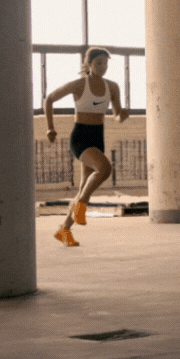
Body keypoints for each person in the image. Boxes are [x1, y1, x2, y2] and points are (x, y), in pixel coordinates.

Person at [43, 47, 129, 246]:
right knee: (105, 168)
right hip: (80, 137)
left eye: (105, 63)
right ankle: (81, 207)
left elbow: (116, 114)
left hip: (97, 136)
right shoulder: (79, 85)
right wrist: (50, 128)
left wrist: (121, 115)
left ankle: (64, 230)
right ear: (89, 64)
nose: (102, 67)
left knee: (83, 187)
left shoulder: (113, 87)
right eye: (98, 63)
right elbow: (49, 99)